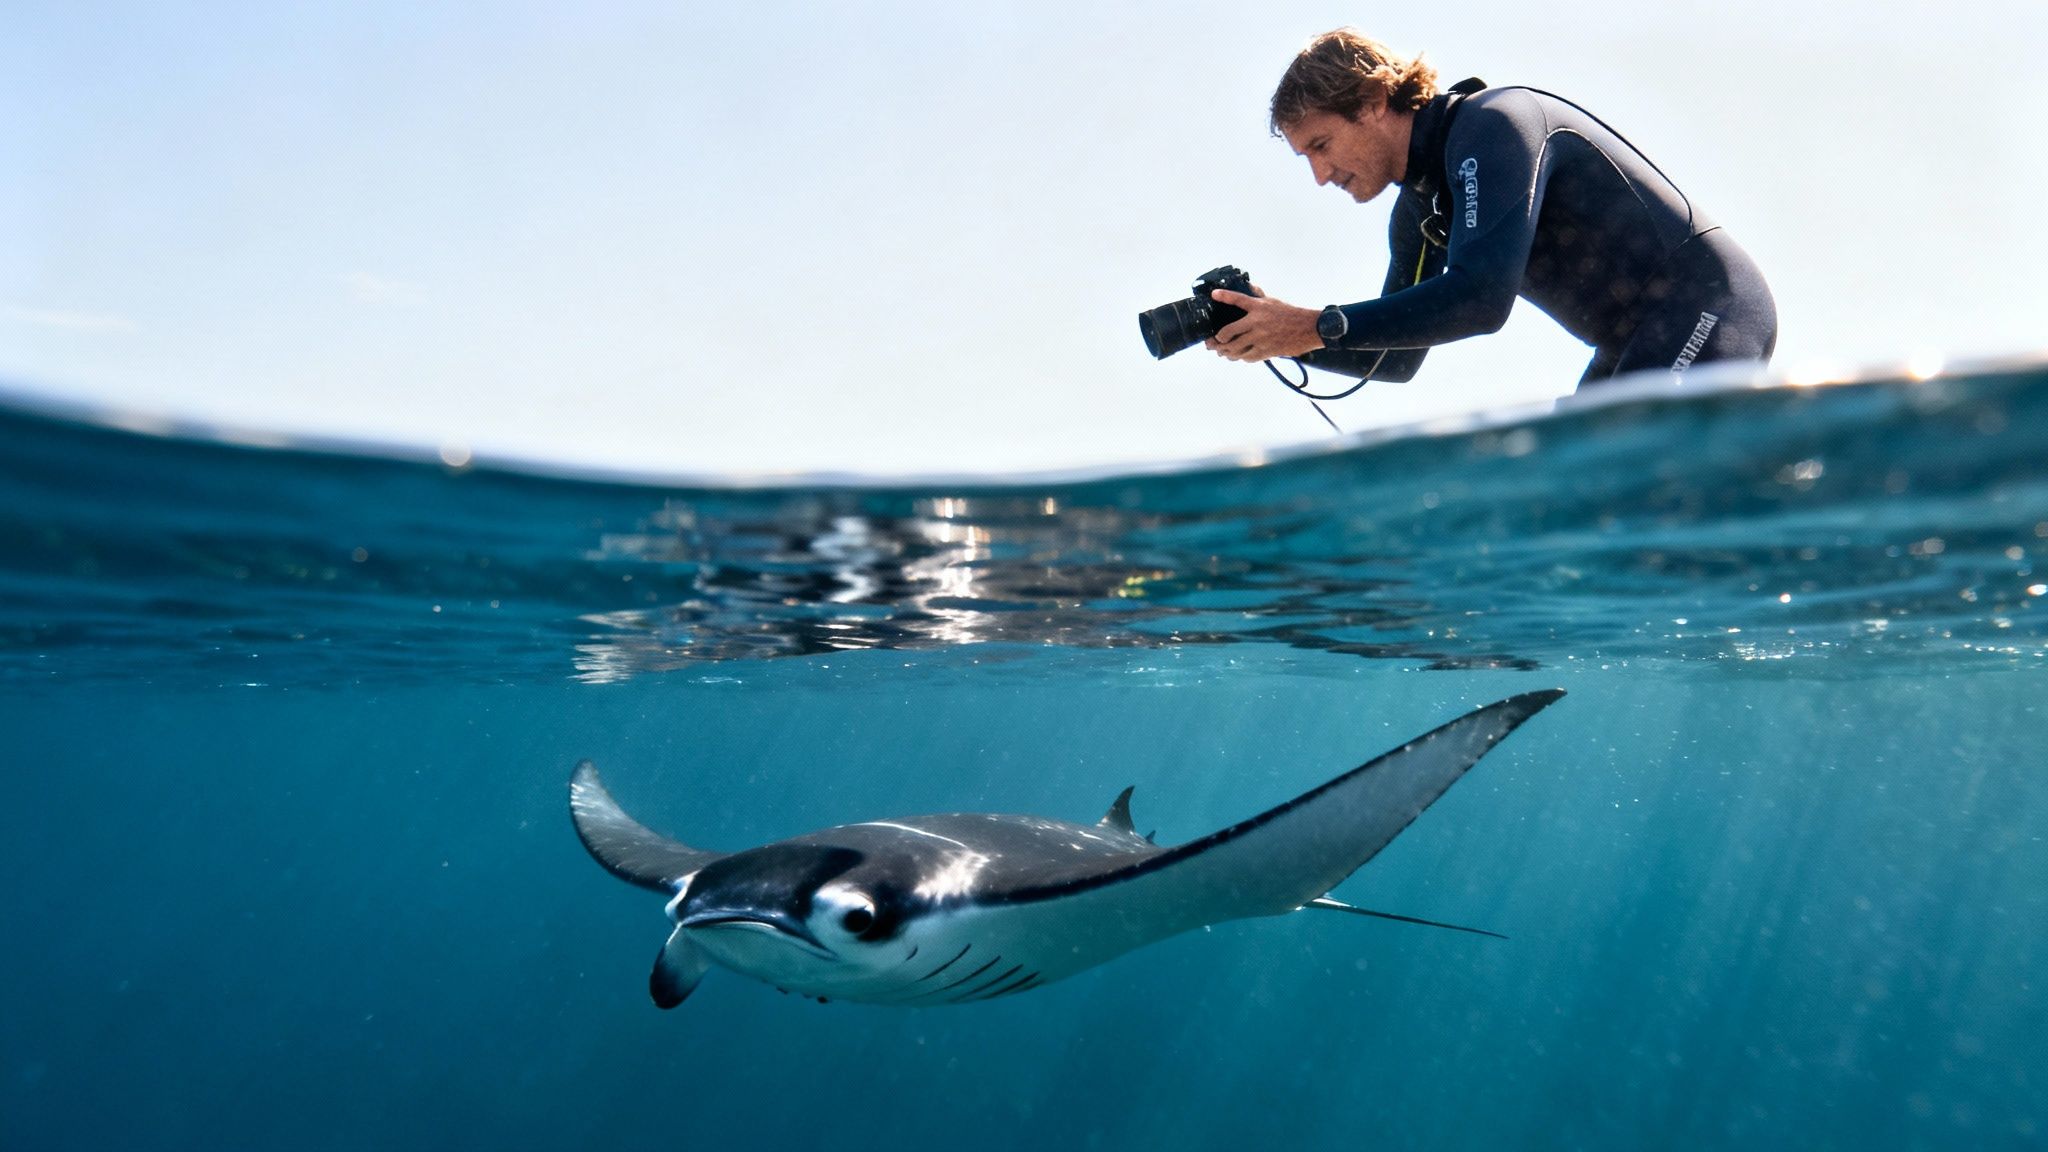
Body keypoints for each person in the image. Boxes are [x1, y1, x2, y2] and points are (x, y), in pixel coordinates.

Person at [1206, 29, 1777, 389]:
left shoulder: (1493, 126)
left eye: (1322, 146)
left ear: (1374, 101)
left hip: (1706, 305)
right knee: (1572, 511)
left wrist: (1313, 326)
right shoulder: (1422, 209)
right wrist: (1272, 333)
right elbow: (1392, 361)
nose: (1320, 176)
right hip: (1633, 342)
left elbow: (1481, 300)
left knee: (1620, 489)